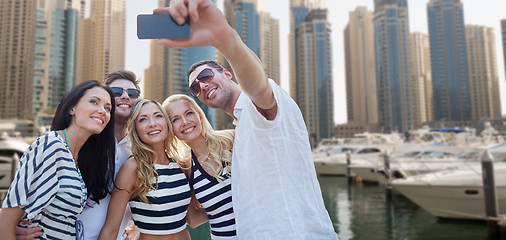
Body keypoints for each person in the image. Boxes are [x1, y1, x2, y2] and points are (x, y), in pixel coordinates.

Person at [155, 0, 338, 238]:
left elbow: (259, 87)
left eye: (207, 75)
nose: (203, 85)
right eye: (195, 88)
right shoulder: (240, 129)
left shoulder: (257, 108)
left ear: (228, 73)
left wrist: (224, 38)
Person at [13, 71, 142, 240]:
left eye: (132, 93)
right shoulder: (80, 139)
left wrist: (137, 226)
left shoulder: (140, 150)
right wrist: (14, 224)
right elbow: (20, 197)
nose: (125, 96)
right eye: (117, 92)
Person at [0, 80, 116, 239]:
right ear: (72, 108)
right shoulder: (51, 146)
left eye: (107, 108)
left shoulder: (74, 157)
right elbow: (5, 221)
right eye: (93, 102)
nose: (102, 110)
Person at [98, 99, 203, 240]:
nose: (152, 123)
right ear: (136, 129)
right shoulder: (132, 168)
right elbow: (111, 229)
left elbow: (193, 218)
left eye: (158, 116)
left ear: (167, 122)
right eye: (143, 119)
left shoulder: (181, 165)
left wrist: (232, 203)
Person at [163, 94, 236, 239]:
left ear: (200, 116)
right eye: (175, 119)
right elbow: (193, 219)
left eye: (189, 113)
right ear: (170, 129)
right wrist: (220, 210)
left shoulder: (232, 140)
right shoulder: (185, 167)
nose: (184, 122)